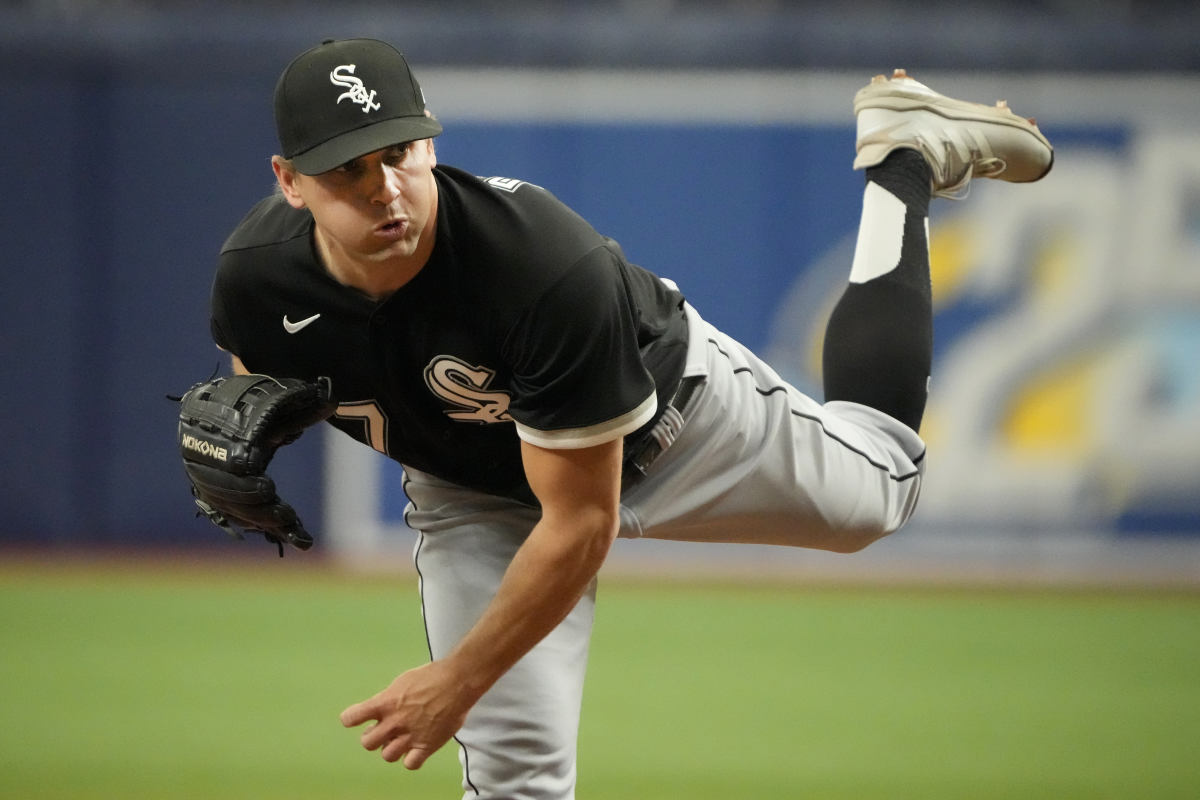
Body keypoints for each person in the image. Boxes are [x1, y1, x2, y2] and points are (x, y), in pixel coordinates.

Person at [209, 38, 1052, 799]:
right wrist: (252, 434)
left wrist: (457, 679)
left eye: (398, 154)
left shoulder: (540, 268)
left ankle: (905, 157)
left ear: (430, 143)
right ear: (289, 182)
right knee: (514, 784)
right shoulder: (257, 280)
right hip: (476, 493)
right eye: (348, 170)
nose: (385, 190)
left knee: (881, 492)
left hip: (678, 428)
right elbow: (261, 372)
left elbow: (582, 521)